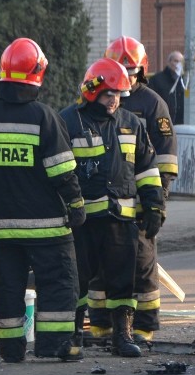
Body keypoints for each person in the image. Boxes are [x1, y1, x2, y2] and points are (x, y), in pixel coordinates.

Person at [0, 38, 85, 363]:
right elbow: (62, 171)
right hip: (46, 226)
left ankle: (9, 348)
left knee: (7, 287)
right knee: (59, 282)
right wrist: (76, 206)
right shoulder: (44, 118)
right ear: (37, 74)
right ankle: (54, 345)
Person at [60, 58, 164, 357]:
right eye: (109, 94)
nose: (114, 100)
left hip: (122, 221)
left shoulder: (131, 123)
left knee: (123, 282)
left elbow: (146, 169)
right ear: (92, 91)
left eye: (119, 95)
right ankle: (73, 335)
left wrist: (155, 207)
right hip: (82, 223)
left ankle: (123, 336)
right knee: (78, 281)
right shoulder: (68, 121)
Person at [104, 36, 176, 344]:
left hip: (142, 199)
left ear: (141, 70)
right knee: (103, 267)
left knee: (144, 264)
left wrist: (156, 202)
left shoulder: (152, 103)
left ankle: (145, 327)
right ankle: (103, 326)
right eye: (122, 69)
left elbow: (166, 158)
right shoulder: (102, 100)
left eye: (131, 71)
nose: (127, 77)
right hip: (111, 201)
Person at [148, 50, 186, 126]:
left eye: (181, 62)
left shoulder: (185, 80)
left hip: (182, 123)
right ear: (169, 62)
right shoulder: (156, 79)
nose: (178, 64)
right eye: (176, 61)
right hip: (162, 122)